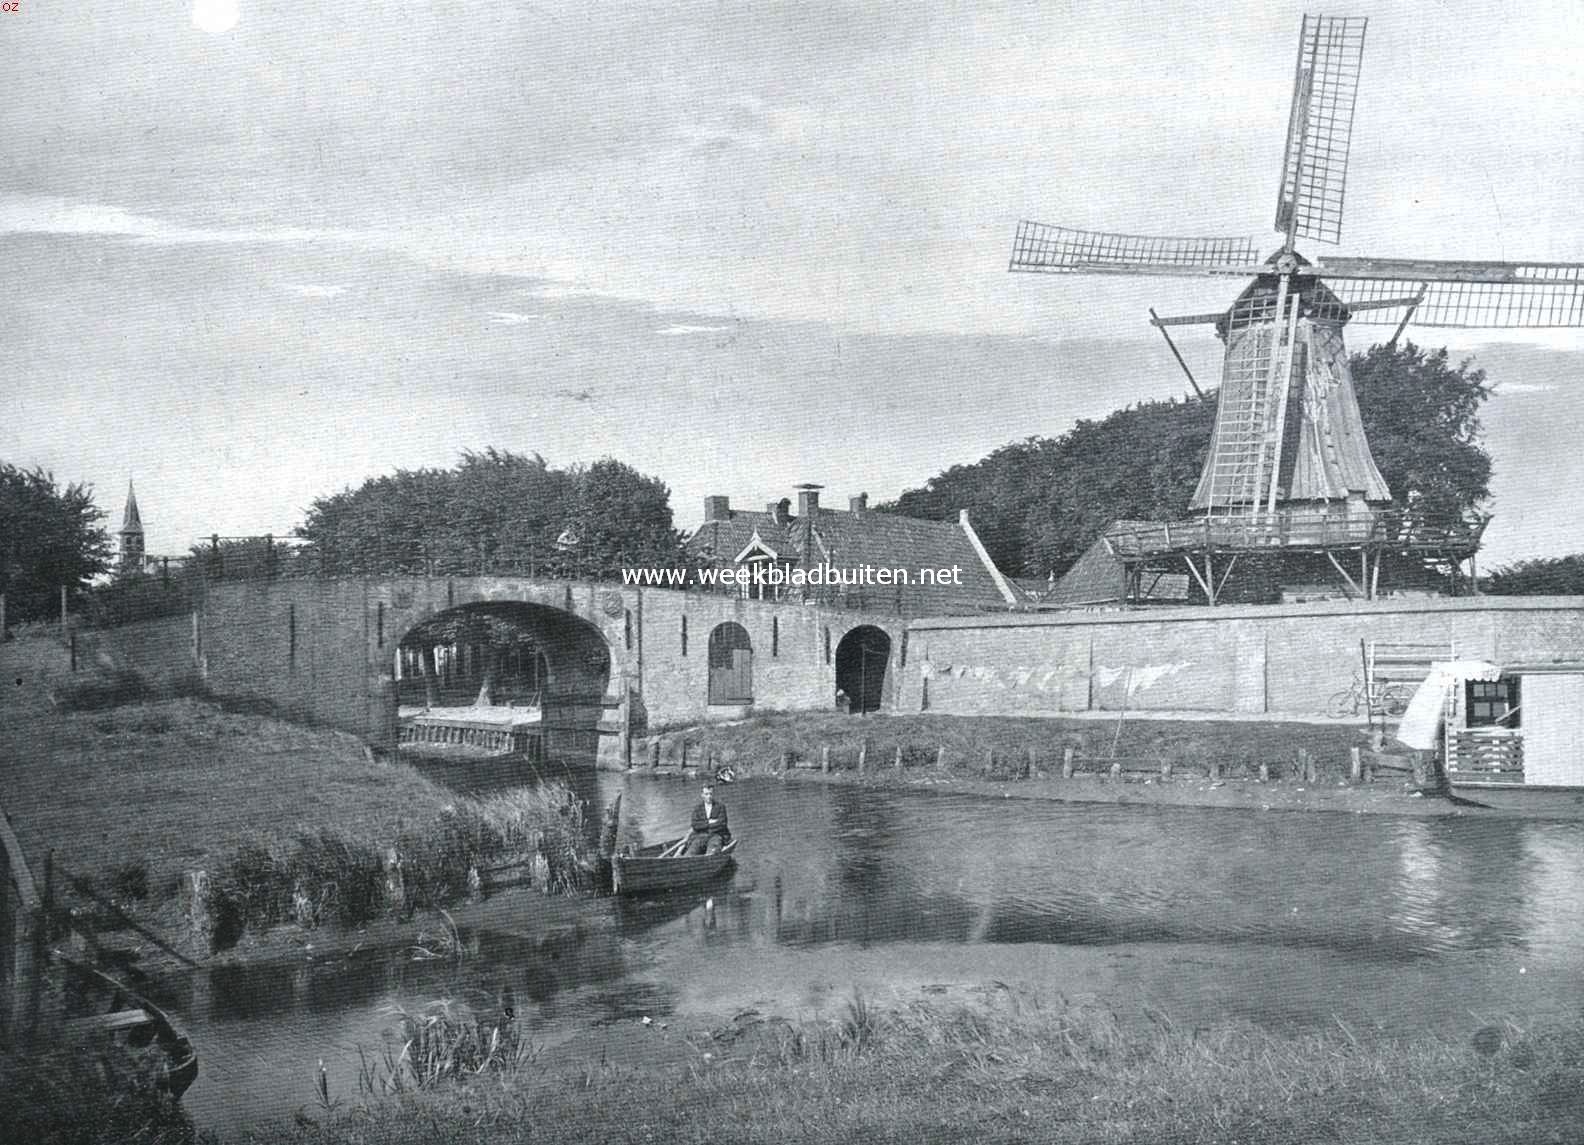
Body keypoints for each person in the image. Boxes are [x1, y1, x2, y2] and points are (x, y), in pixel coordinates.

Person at [683, 782, 730, 855]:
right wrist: (709, 823)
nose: (709, 796)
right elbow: (695, 825)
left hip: (716, 836)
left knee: (711, 854)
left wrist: (703, 826)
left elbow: (722, 824)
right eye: (706, 794)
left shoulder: (720, 806)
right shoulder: (697, 808)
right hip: (701, 836)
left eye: (711, 794)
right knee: (689, 854)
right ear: (702, 795)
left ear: (713, 794)